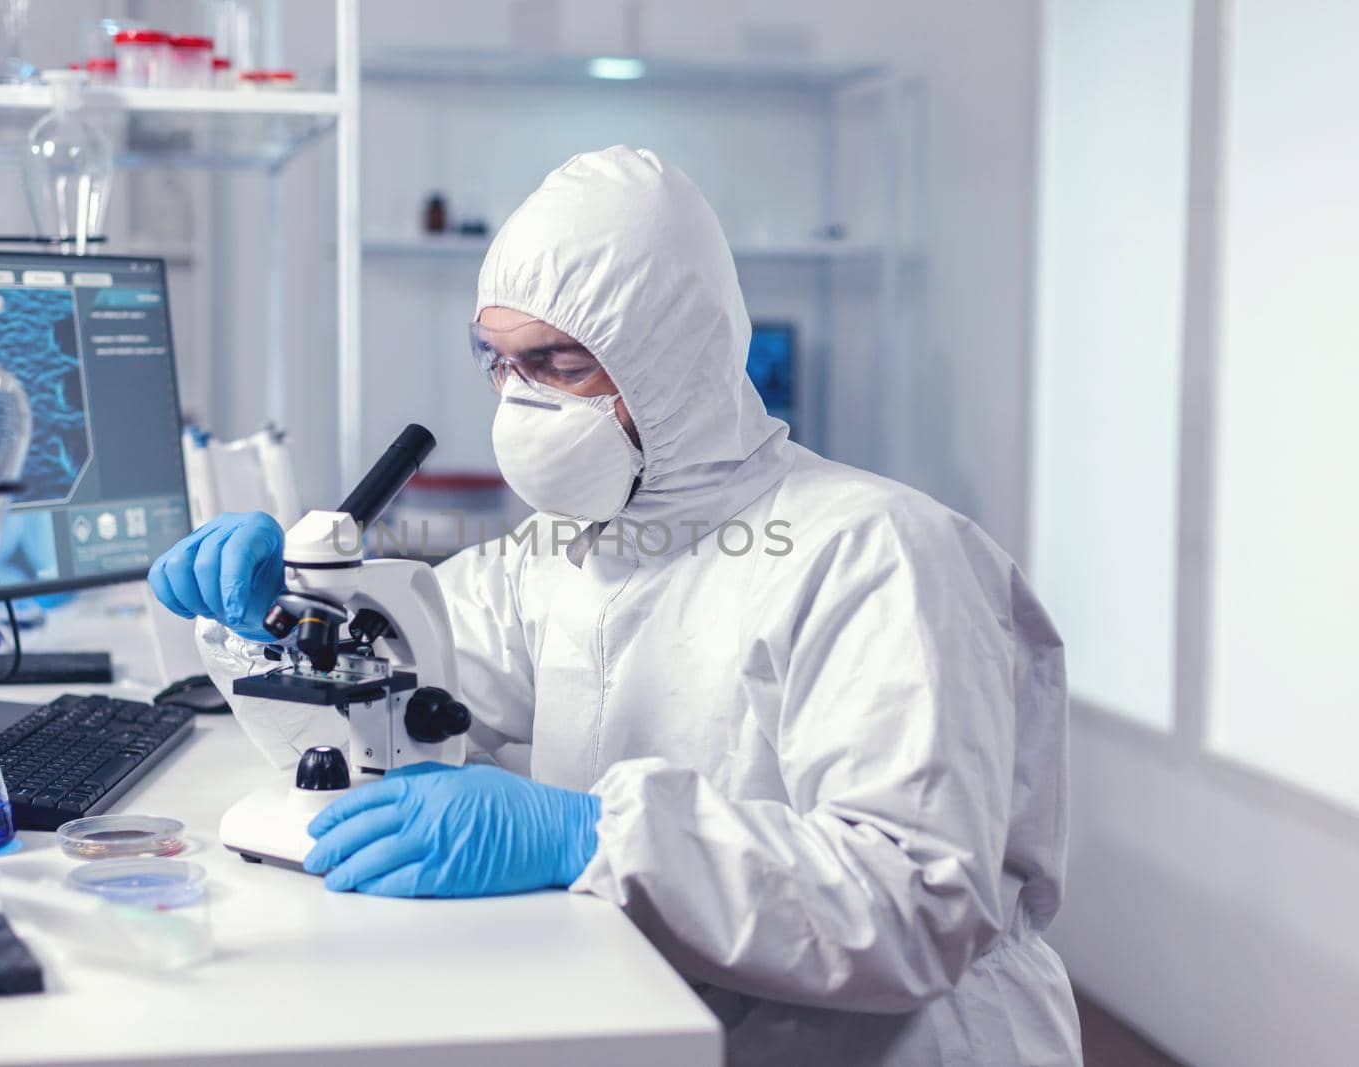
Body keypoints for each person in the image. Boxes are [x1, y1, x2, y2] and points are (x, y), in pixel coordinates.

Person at [150, 146, 1082, 1065]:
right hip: (662, 1009)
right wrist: (291, 606)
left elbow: (912, 904)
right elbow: (409, 680)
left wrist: (592, 837)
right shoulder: (564, 547)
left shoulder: (877, 553)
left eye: (559, 364)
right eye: (501, 364)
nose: (521, 403)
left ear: (668, 361)